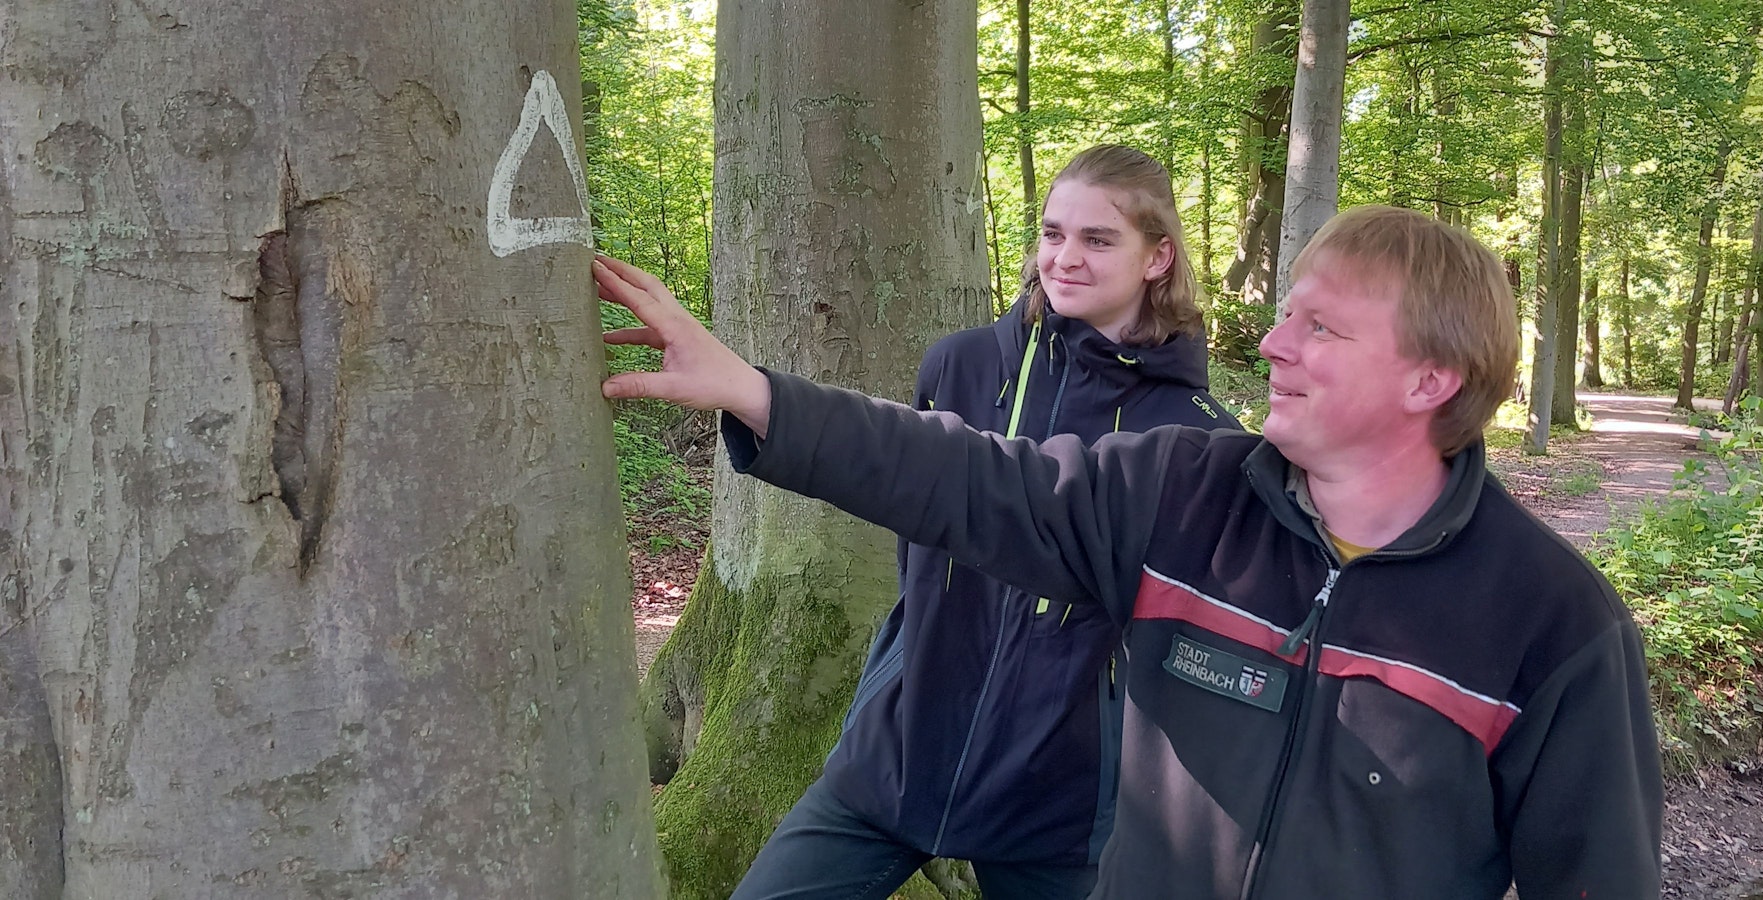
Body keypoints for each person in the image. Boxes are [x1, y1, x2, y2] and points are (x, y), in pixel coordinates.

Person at [594, 204, 1664, 899]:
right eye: (1283, 317)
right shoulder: (1181, 492)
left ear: (1430, 380)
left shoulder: (1552, 625)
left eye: (1321, 330)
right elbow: (967, 478)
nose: (1274, 345)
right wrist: (753, 392)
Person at [723, 144, 1240, 899]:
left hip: (1056, 799)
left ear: (1158, 257)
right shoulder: (960, 365)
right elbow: (915, 525)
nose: (1064, 258)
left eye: (1098, 240)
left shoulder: (1199, 436)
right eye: (1053, 233)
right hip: (898, 753)